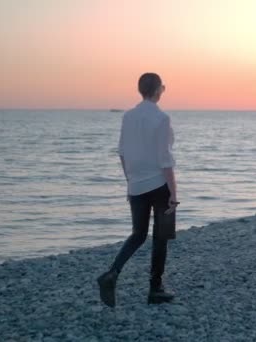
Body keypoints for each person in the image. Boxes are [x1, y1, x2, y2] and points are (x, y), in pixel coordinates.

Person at [97, 73, 178, 307]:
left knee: (138, 234)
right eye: (162, 86)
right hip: (159, 184)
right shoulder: (162, 118)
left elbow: (122, 152)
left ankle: (112, 273)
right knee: (160, 237)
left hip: (136, 184)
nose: (163, 89)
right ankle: (155, 289)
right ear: (157, 90)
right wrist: (174, 192)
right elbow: (165, 159)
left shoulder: (128, 117)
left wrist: (129, 182)